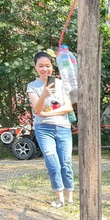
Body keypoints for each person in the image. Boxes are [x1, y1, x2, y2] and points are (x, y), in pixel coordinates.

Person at [26, 51, 75, 208]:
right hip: (43, 129)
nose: (45, 69)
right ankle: (59, 198)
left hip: (63, 127)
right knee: (52, 162)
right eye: (41, 66)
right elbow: (37, 109)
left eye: (47, 66)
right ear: (35, 67)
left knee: (66, 162)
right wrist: (44, 94)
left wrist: (47, 113)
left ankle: (70, 198)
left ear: (52, 67)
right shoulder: (32, 86)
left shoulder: (61, 84)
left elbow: (68, 107)